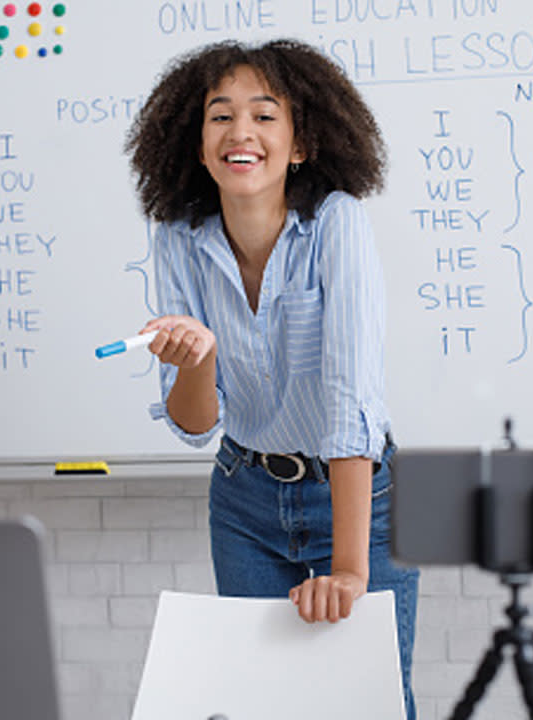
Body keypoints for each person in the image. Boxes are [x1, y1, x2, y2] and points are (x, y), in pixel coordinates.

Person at [124, 39, 420, 718]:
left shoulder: (336, 224)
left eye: (264, 115)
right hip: (245, 499)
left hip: (361, 498)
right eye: (219, 116)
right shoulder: (176, 235)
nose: (240, 133)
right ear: (198, 147)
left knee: (373, 701)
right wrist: (197, 359)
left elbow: (351, 402)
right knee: (261, 702)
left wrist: (349, 569)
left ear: (299, 144)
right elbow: (198, 424)